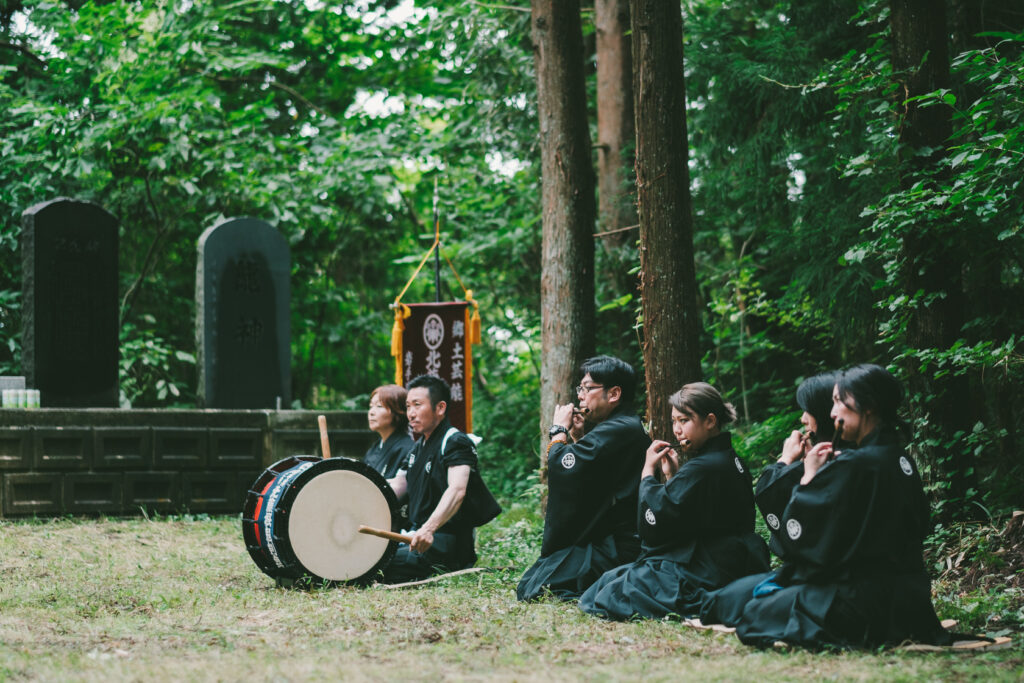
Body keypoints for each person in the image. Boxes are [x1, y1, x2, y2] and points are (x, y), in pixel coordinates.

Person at [720, 364, 951, 649]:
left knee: (753, 615)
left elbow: (801, 538)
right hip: (909, 601)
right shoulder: (901, 459)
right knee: (749, 599)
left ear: (868, 407)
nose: (832, 413)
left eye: (839, 402)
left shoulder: (854, 464)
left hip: (861, 603)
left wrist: (808, 477)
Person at [578, 382, 769, 620]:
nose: (677, 430)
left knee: (615, 590)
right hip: (732, 560)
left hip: (707, 566)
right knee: (613, 579)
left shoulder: (703, 467)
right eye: (674, 421)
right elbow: (690, 512)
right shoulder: (729, 458)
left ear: (710, 421)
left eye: (684, 421)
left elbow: (658, 521)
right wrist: (672, 476)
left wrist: (648, 471)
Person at [699, 371, 838, 627]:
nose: (803, 419)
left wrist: (786, 460)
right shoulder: (828, 457)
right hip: (815, 576)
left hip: (827, 582)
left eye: (807, 411)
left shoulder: (834, 463)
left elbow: (768, 492)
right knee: (721, 600)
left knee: (727, 604)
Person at [516, 355, 650, 601]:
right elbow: (592, 474)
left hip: (620, 544)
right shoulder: (619, 426)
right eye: (580, 388)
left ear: (614, 394)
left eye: (587, 388)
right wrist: (578, 438)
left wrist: (559, 431)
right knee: (533, 582)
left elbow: (565, 466)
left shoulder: (620, 428)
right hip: (608, 537)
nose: (580, 395)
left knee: (537, 587)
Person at [381, 375, 500, 583]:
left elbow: (457, 490)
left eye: (417, 405)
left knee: (377, 563)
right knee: (369, 556)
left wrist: (428, 529)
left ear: (440, 408)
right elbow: (396, 485)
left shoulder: (455, 441)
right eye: (408, 406)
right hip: (416, 539)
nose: (411, 413)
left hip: (446, 544)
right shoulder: (417, 449)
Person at [364, 384, 415, 479]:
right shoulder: (374, 449)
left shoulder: (407, 449)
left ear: (398, 411)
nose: (371, 412)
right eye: (371, 406)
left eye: (379, 406)